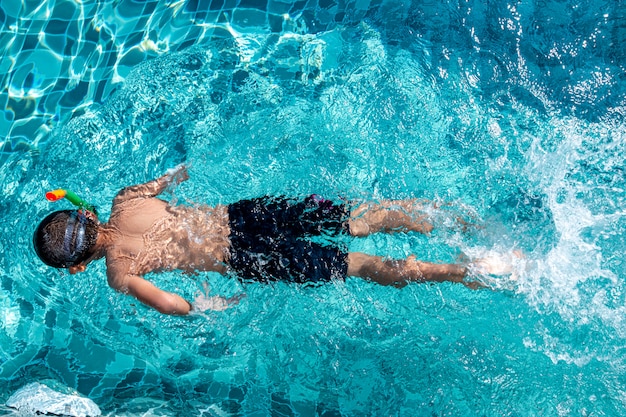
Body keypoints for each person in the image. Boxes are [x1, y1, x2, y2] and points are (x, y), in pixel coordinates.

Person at [33, 165, 498, 316]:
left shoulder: (119, 272)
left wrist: (205, 307)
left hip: (240, 257)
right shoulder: (125, 199)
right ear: (86, 214)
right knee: (357, 218)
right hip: (245, 214)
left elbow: (173, 305)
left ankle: (464, 273)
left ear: (77, 265)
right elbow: (179, 174)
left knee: (355, 264)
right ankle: (463, 224)